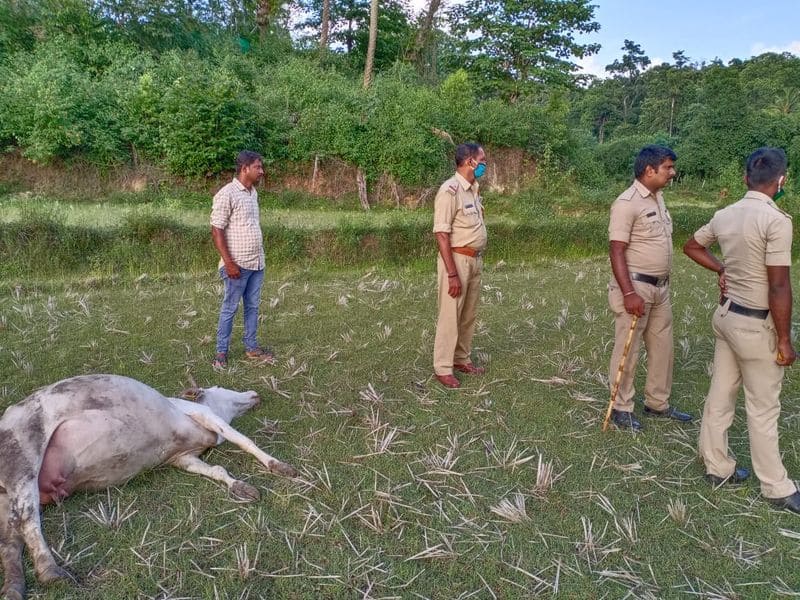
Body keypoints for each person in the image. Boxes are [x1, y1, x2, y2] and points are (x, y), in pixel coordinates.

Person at [683, 147, 800, 512]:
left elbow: (691, 245)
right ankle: (776, 487)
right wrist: (784, 339)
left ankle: (716, 466)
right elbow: (779, 286)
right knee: (763, 407)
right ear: (781, 181)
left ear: (746, 179)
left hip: (726, 318)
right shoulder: (777, 221)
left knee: (720, 394)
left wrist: (722, 270)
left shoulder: (724, 214)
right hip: (754, 324)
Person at [607, 145, 693, 430]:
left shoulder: (659, 199)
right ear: (649, 170)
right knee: (628, 349)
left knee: (662, 347)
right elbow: (616, 251)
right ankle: (621, 407)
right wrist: (629, 292)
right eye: (668, 167)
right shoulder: (626, 203)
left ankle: (657, 403)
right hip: (636, 287)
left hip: (661, 289)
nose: (673, 173)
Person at [432, 143, 488, 389]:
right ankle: (443, 367)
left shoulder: (473, 190)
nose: (485, 164)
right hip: (456, 261)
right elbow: (441, 234)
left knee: (468, 315)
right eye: (482, 159)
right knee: (450, 315)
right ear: (469, 162)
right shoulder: (449, 191)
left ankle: (461, 359)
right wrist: (452, 273)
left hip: (475, 260)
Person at [210, 150, 273, 369]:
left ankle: (251, 347)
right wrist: (228, 262)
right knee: (230, 308)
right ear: (245, 168)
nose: (262, 171)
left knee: (253, 307)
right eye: (258, 167)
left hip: (257, 263)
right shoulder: (227, 194)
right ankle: (221, 352)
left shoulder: (252, 193)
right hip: (236, 265)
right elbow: (216, 229)